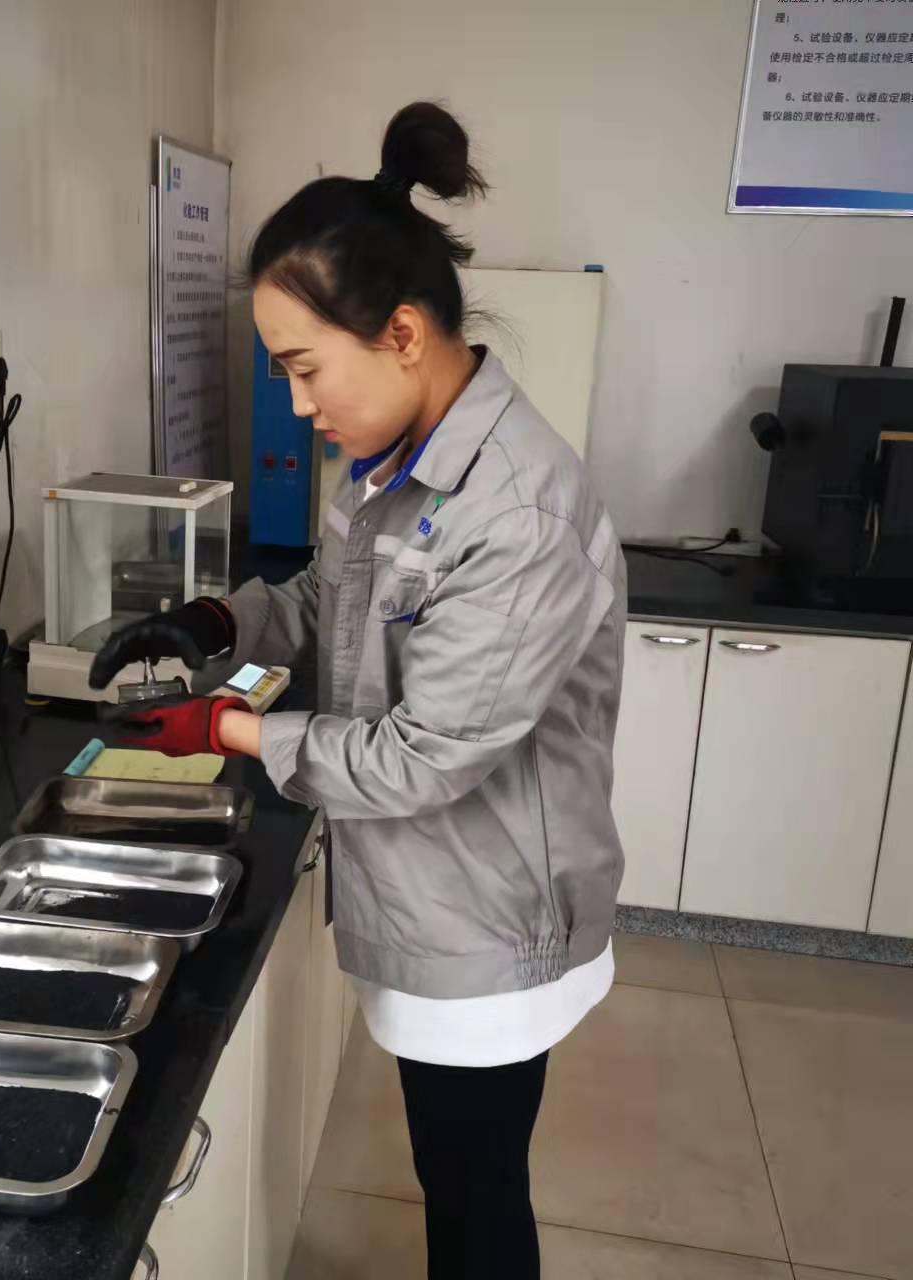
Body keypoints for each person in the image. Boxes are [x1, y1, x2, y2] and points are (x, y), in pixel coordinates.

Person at [90, 102, 626, 1280]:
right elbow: (330, 596)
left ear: (400, 335)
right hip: (431, 897)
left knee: (476, 1200)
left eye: (303, 369)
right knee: (454, 1179)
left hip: (488, 917)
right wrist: (216, 620)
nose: (297, 405)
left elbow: (426, 753)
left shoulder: (514, 509)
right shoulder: (388, 468)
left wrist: (228, 727)